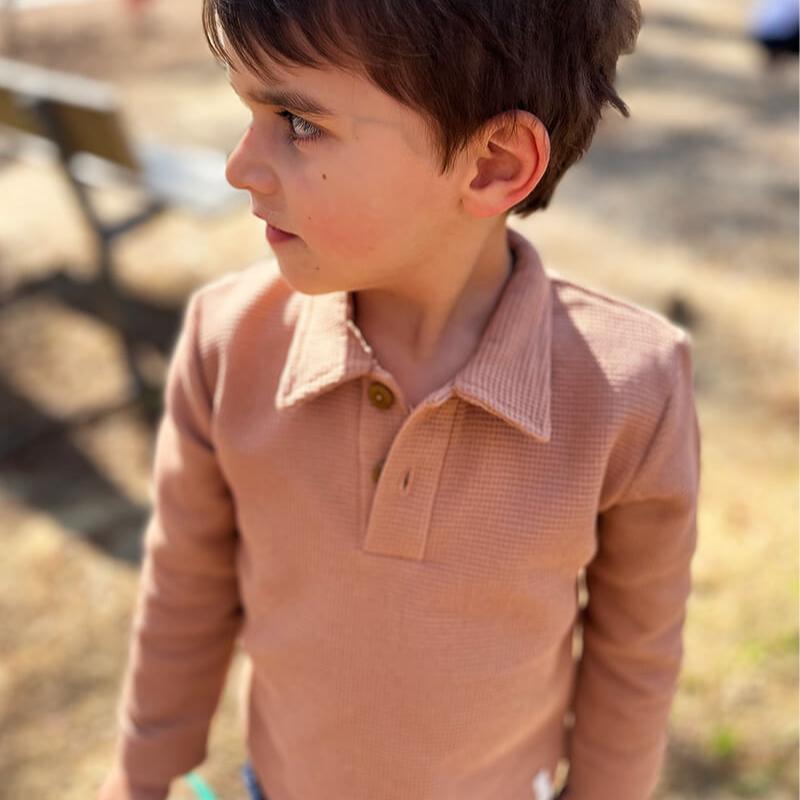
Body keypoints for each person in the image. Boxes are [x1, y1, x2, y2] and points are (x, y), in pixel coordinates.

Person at [97, 1, 701, 798]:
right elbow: (184, 591)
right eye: (248, 110)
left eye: (296, 121)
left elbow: (635, 658)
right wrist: (139, 779)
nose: (240, 167)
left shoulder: (632, 390)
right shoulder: (225, 345)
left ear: (492, 164)